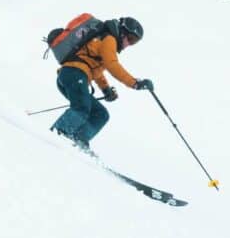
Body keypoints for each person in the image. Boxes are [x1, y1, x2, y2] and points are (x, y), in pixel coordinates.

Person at [50, 16, 154, 150]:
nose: (129, 44)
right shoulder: (109, 39)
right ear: (122, 32)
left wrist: (105, 89)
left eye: (134, 42)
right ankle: (57, 134)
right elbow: (112, 65)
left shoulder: (104, 39)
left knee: (101, 114)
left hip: (72, 76)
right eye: (130, 39)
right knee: (81, 109)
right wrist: (135, 83)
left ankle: (79, 139)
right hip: (74, 74)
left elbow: (96, 68)